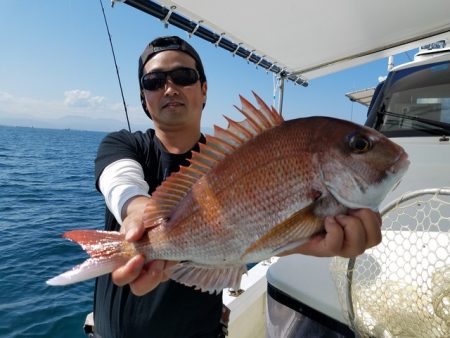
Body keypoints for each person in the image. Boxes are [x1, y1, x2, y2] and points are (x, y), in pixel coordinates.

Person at [92, 35, 382, 338]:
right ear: (144, 98)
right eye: (154, 81)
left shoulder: (236, 157)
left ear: (204, 90)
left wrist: (303, 238)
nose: (170, 87)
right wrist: (138, 211)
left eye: (183, 76)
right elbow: (121, 182)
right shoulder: (123, 144)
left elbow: (253, 226)